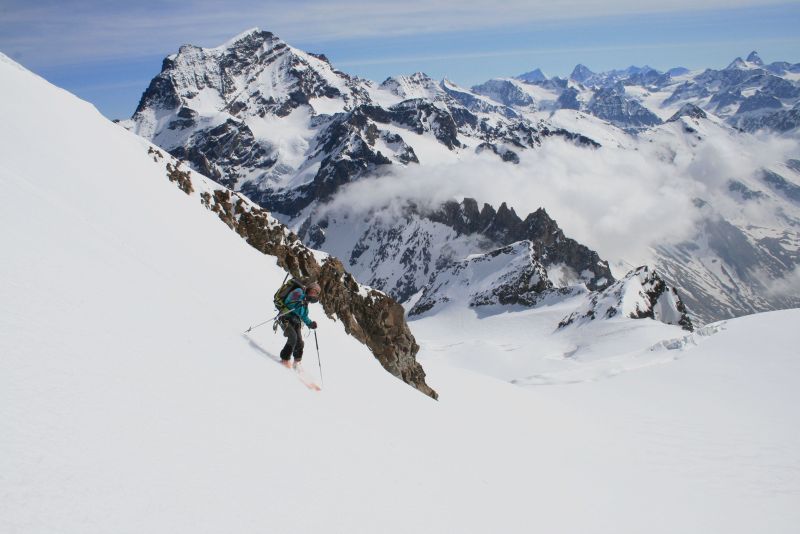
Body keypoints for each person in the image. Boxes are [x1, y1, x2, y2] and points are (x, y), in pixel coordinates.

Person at [276, 281, 320, 368]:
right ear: (309, 289)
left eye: (316, 293)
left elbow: (304, 316)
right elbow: (290, 302)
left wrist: (310, 324)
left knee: (300, 342)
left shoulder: (306, 303)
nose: (313, 293)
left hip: (296, 321)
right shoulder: (299, 291)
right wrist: (303, 298)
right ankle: (285, 359)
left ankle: (297, 363)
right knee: (293, 337)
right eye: (313, 290)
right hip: (285, 317)